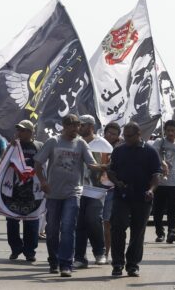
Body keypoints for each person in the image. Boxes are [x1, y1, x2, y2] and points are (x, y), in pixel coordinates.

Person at [34, 114, 106, 278]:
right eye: (73, 126)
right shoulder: (53, 142)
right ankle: (54, 260)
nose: (76, 129)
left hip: (73, 193)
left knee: (67, 228)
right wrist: (43, 181)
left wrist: (104, 167)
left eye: (78, 126)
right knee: (52, 230)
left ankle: (66, 263)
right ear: (65, 126)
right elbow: (38, 163)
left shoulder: (80, 144)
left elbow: (91, 164)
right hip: (53, 193)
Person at [107, 121, 161, 278]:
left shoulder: (150, 152)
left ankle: (133, 265)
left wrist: (151, 190)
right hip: (122, 196)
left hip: (142, 197)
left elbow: (156, 175)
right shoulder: (119, 151)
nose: (127, 139)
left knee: (138, 232)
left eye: (130, 136)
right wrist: (117, 182)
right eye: (125, 135)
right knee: (118, 228)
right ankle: (117, 263)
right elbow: (111, 171)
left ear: (139, 134)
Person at [6, 120, 43, 262]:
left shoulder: (39, 146)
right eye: (18, 130)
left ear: (30, 132)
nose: (19, 133)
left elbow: (44, 164)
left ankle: (29, 251)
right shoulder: (13, 145)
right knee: (12, 221)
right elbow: (4, 162)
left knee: (32, 221)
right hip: (14, 191)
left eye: (22, 130)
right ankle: (15, 248)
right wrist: (11, 148)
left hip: (33, 191)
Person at [74, 115, 107, 268]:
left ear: (91, 127)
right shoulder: (75, 142)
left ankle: (100, 252)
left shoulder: (103, 144)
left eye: (82, 125)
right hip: (77, 189)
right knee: (79, 222)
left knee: (93, 220)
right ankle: (80, 257)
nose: (79, 127)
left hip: (96, 191)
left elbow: (107, 168)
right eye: (78, 125)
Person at [151, 120, 175, 244]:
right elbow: (153, 155)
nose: (170, 133)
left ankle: (172, 231)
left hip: (173, 181)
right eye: (168, 130)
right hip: (159, 181)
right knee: (158, 208)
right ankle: (160, 233)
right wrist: (161, 161)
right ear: (164, 131)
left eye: (173, 130)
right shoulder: (159, 142)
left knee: (173, 208)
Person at [102, 122, 121, 262]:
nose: (110, 135)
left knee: (107, 223)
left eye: (114, 134)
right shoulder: (97, 144)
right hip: (95, 188)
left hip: (112, 190)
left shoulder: (120, 150)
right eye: (109, 132)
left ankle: (106, 253)